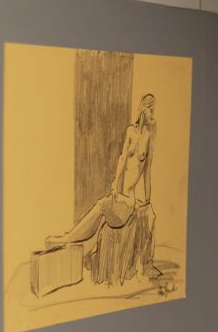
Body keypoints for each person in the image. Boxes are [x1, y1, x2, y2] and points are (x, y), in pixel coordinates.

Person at [45, 94, 157, 271]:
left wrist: (147, 201)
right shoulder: (130, 131)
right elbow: (122, 159)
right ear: (143, 108)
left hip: (129, 200)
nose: (153, 114)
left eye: (154, 110)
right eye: (151, 109)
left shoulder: (150, 135)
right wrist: (114, 184)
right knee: (100, 216)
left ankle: (66, 239)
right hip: (118, 195)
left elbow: (148, 170)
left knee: (101, 207)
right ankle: (77, 247)